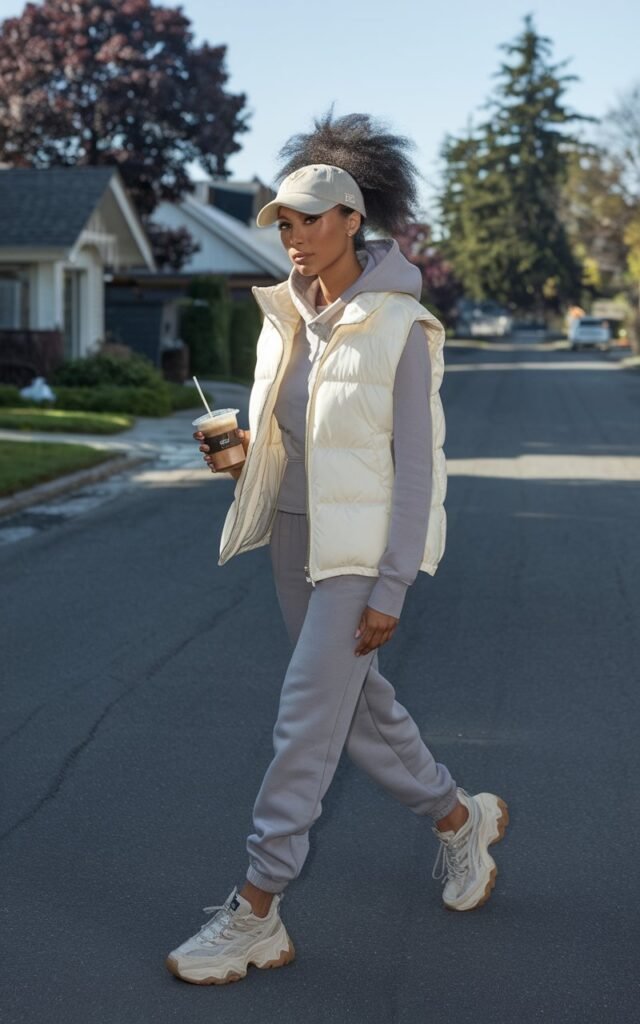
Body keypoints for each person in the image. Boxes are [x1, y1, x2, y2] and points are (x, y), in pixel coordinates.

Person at [166, 112, 509, 986]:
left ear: (355, 219)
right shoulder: (282, 316)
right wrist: (240, 458)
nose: (293, 236)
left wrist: (392, 584)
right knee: (353, 711)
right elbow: (296, 440)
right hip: (292, 534)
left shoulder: (400, 328)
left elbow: (419, 471)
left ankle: (256, 911)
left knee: (303, 722)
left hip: (360, 555)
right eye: (283, 221)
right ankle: (457, 819)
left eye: (310, 219)